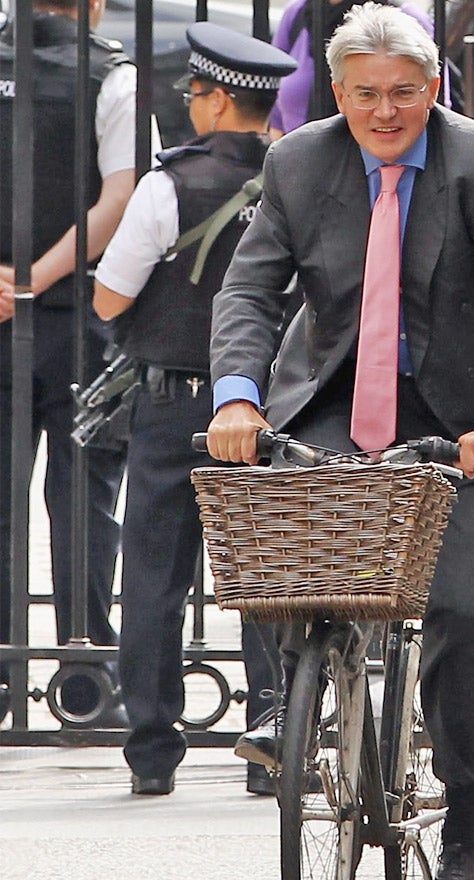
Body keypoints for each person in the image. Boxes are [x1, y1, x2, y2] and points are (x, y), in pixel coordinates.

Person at [205, 4, 474, 880]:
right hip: (340, 394)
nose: (386, 112)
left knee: (463, 603)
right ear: (336, 93)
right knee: (282, 520)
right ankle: (293, 704)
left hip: (458, 405)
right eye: (367, 95)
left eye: (405, 95)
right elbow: (250, 285)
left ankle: (464, 830)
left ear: (435, 89)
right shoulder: (298, 160)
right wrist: (235, 393)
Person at [92, 22, 296, 797]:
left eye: (193, 94)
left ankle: (151, 750)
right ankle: (277, 731)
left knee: (153, 577)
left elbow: (111, 294)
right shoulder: (302, 177)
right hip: (273, 409)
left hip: (175, 405)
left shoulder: (168, 184)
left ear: (215, 100)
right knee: (271, 576)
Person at [0, 0, 158, 723]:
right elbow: (122, 198)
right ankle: (85, 670)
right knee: (84, 499)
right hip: (78, 318)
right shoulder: (113, 78)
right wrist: (37, 276)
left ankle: (4, 675)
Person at [268, 0, 436, 137]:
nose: (386, 112)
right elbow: (275, 114)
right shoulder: (297, 14)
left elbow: (438, 106)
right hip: (303, 165)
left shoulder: (406, 18)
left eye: (402, 92)